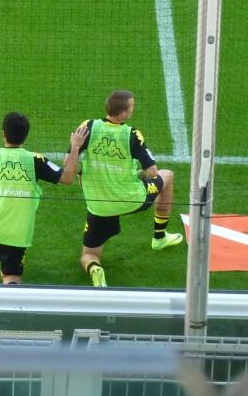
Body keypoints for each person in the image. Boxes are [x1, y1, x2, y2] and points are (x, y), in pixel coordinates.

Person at [0, 112, 83, 284]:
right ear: (26, 135)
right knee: (10, 277)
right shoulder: (36, 160)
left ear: (3, 134)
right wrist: (75, 147)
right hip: (18, 232)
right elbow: (67, 178)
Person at [72, 89, 184, 287]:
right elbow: (152, 172)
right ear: (123, 113)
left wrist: (78, 157)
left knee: (88, 255)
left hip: (99, 207)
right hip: (131, 199)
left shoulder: (88, 127)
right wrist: (138, 175)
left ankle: (95, 269)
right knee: (167, 175)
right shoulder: (132, 134)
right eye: (131, 107)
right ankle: (159, 238)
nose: (133, 110)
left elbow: (69, 165)